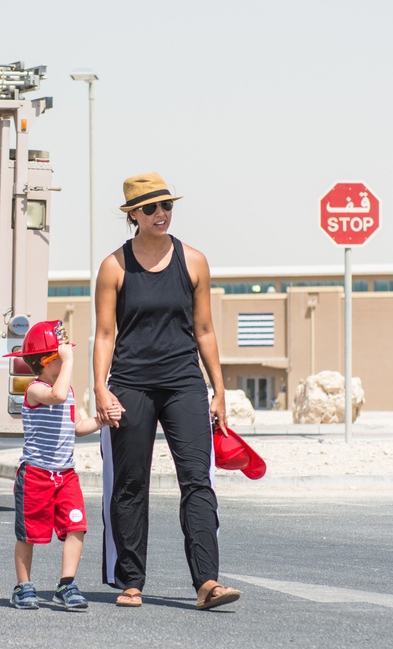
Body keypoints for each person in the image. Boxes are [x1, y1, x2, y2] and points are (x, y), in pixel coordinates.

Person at [93, 172, 242, 611]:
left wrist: (219, 388)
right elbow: (104, 334)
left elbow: (205, 329)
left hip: (183, 383)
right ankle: (131, 580)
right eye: (151, 208)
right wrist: (100, 389)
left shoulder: (193, 261)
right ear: (133, 215)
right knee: (131, 482)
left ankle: (207, 582)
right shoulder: (114, 266)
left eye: (167, 206)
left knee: (197, 480)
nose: (162, 214)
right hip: (131, 383)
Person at [4, 319, 118, 610]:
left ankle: (66, 584)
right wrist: (68, 360)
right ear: (46, 361)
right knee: (28, 534)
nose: (68, 359)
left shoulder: (66, 390)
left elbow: (75, 427)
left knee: (76, 526)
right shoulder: (35, 389)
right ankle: (23, 586)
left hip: (65, 475)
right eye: (61, 356)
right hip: (36, 475)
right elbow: (54, 396)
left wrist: (102, 420)